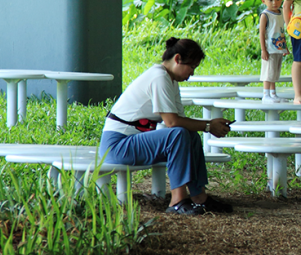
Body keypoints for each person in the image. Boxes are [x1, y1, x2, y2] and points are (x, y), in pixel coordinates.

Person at [99, 38, 233, 216]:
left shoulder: (171, 80)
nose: (192, 73)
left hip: (133, 141)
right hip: (117, 146)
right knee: (178, 134)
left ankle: (199, 197)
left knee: (189, 135)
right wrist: (208, 126)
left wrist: (207, 126)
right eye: (191, 66)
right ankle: (177, 200)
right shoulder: (159, 77)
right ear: (177, 59)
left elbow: (180, 120)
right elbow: (171, 122)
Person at [258, 0, 290, 103]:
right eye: (270, 0)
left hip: (278, 48)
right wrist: (263, 50)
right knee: (268, 72)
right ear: (263, 1)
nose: (274, 3)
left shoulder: (281, 13)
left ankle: (273, 93)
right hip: (269, 49)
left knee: (275, 72)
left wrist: (285, 48)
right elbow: (261, 33)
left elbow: (282, 32)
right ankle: (266, 94)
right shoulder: (265, 15)